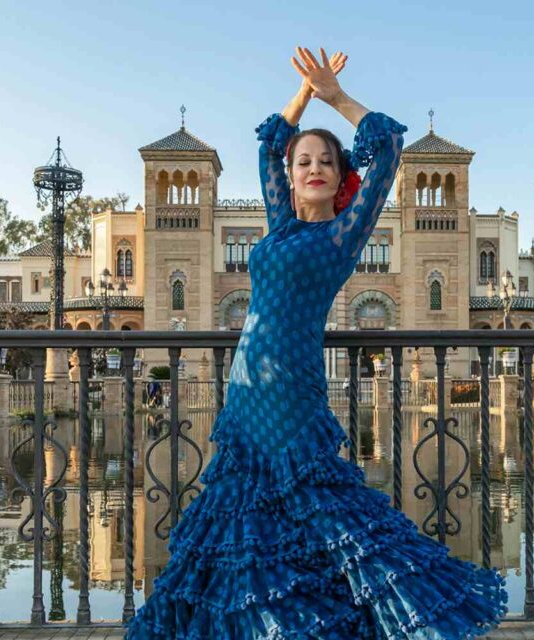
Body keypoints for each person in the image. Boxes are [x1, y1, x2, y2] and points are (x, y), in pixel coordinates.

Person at [127, 46, 507, 638]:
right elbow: (267, 148)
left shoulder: (343, 234)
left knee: (318, 508)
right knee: (246, 520)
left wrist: (335, 97)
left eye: (325, 161)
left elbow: (389, 149)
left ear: (339, 176)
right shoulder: (280, 226)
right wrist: (301, 95)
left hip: (289, 391)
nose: (312, 169)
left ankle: (378, 615)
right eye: (303, 161)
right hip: (245, 391)